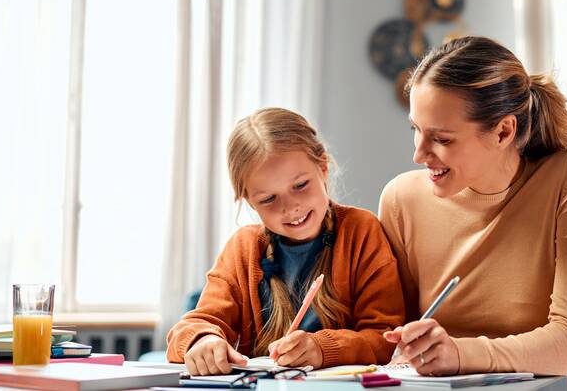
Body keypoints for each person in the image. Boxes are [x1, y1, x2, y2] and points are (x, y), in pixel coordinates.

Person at [379, 36, 567, 391]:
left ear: (503, 131)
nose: (419, 154)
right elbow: (395, 337)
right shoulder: (401, 198)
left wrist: (458, 353)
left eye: (442, 138)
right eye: (416, 131)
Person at [167, 107, 404, 375]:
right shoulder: (243, 248)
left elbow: (384, 337)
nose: (291, 207)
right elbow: (190, 328)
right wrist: (202, 340)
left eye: (300, 185)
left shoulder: (361, 232)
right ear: (250, 202)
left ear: (323, 168)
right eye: (268, 199)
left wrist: (321, 348)